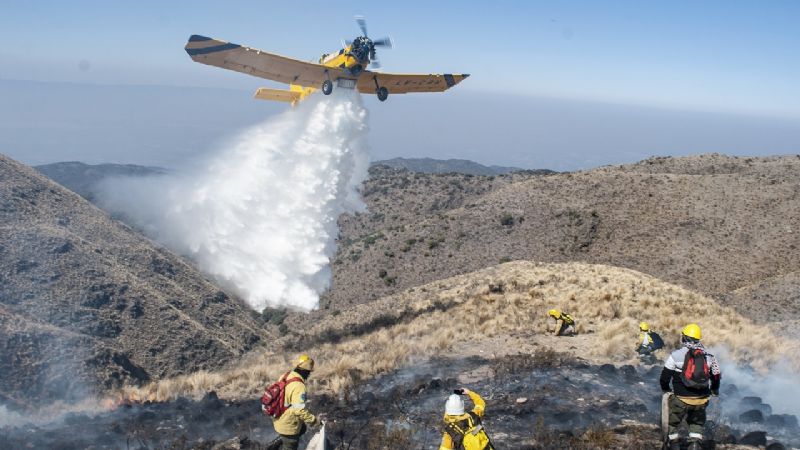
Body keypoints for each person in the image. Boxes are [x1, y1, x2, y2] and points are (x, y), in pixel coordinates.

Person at [659, 324, 722, 450]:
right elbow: (716, 377)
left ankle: (674, 444)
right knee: (696, 423)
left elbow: (664, 377)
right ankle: (694, 444)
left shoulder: (676, 355)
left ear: (685, 338)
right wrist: (714, 391)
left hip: (680, 398)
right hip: (701, 399)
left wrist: (666, 389)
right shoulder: (709, 357)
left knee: (672, 423)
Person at [267, 355, 320, 450]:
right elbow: (299, 410)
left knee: (302, 428)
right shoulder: (299, 386)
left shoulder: (286, 375)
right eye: (309, 372)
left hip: (277, 417)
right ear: (305, 371)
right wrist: (314, 421)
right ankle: (284, 442)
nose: (309, 375)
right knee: (290, 446)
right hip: (288, 426)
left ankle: (280, 440)